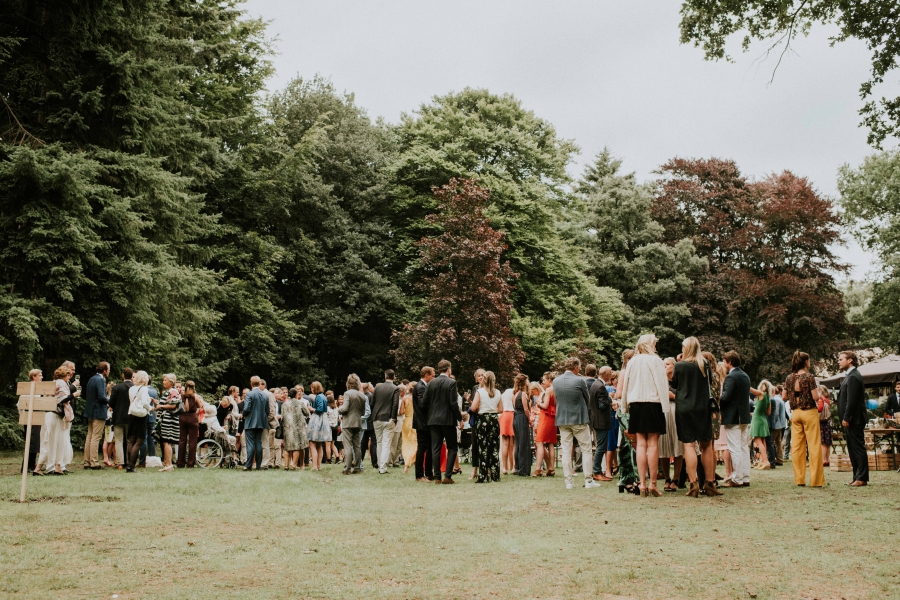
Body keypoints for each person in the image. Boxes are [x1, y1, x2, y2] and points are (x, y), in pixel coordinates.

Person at [619, 334, 670, 497]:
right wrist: (666, 408)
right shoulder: (656, 361)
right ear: (650, 345)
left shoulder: (633, 361)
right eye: (654, 344)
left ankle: (641, 483)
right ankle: (653, 484)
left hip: (636, 404)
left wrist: (624, 406)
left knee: (640, 444)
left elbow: (626, 383)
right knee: (653, 443)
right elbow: (662, 384)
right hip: (653, 403)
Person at [672, 338, 722, 497]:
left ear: (685, 348)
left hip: (684, 408)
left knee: (688, 445)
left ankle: (693, 483)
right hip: (703, 408)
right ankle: (709, 482)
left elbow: (675, 384)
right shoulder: (705, 364)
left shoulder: (679, 366)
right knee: (707, 445)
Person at [554, 357, 601, 491]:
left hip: (562, 419)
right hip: (579, 419)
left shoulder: (556, 381)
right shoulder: (580, 380)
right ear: (576, 367)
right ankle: (588, 480)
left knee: (566, 450)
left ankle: (568, 482)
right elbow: (588, 399)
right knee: (586, 449)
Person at [783, 351, 824, 487]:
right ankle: (816, 480)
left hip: (796, 413)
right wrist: (817, 391)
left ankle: (799, 479)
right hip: (809, 412)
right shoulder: (809, 377)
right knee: (814, 446)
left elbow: (784, 397)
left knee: (797, 447)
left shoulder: (789, 378)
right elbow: (815, 398)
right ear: (806, 362)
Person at [424, 359, 462, 484]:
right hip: (448, 420)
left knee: (435, 448)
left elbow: (424, 402)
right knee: (452, 447)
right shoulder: (452, 382)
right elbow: (453, 403)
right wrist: (459, 418)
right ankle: (448, 476)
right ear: (449, 369)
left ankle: (438, 477)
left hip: (433, 420)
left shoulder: (430, 383)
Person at [720, 351, 752, 488]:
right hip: (744, 416)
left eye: (725, 362)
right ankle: (745, 477)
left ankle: (737, 479)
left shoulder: (731, 377)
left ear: (730, 362)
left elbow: (726, 397)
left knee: (735, 448)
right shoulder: (745, 376)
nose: (724, 364)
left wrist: (716, 398)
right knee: (744, 447)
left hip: (733, 417)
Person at [837, 350, 869, 487]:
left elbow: (852, 401)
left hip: (854, 419)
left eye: (841, 359)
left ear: (850, 360)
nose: (838, 361)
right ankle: (857, 476)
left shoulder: (854, 377)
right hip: (851, 419)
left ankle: (861, 477)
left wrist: (846, 417)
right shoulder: (849, 376)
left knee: (857, 448)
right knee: (852, 448)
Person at [40, 366, 75, 475]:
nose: (69, 378)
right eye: (68, 375)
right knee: (58, 440)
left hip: (48, 413)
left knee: (49, 440)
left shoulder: (53, 382)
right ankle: (57, 466)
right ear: (64, 375)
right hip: (57, 414)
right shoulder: (61, 383)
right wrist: (74, 395)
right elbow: (62, 399)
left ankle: (51, 466)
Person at [470, 370, 502, 483]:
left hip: (483, 419)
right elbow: (501, 409)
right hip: (494, 419)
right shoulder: (498, 392)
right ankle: (495, 475)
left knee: (483, 448)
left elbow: (473, 408)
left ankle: (483, 476)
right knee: (494, 447)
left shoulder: (480, 392)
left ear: (484, 379)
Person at [659, 357, 683, 492]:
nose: (665, 367)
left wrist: (672, 395)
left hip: (676, 412)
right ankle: (667, 478)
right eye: (663, 365)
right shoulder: (660, 381)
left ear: (674, 366)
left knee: (678, 446)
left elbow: (682, 395)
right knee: (664, 446)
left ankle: (676, 478)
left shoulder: (678, 380)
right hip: (664, 412)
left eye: (667, 364)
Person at [81, 362, 110, 470]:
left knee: (90, 436)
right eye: (108, 369)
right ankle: (94, 462)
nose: (109, 371)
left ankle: (87, 462)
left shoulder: (91, 379)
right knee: (96, 437)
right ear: (104, 370)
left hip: (90, 411)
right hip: (98, 411)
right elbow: (102, 396)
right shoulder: (100, 380)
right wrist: (110, 401)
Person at [125, 371, 155, 472]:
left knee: (131, 440)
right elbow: (143, 402)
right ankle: (131, 465)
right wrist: (150, 408)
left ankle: (129, 463)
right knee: (139, 441)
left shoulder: (131, 388)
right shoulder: (144, 389)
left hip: (131, 414)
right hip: (141, 416)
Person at [371, 369, 400, 474]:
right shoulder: (395, 388)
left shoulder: (378, 387)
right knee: (386, 443)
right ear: (394, 377)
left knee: (379, 442)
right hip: (388, 418)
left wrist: (373, 415)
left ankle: (380, 465)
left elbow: (372, 403)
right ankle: (382, 467)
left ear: (385, 376)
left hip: (376, 418)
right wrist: (393, 418)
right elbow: (395, 404)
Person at [588, 367, 613, 482]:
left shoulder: (595, 384)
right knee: (601, 447)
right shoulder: (600, 386)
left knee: (601, 446)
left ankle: (597, 470)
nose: (611, 375)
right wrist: (610, 399)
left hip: (596, 420)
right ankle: (597, 471)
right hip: (601, 421)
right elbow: (602, 405)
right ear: (606, 375)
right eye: (610, 373)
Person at [339, 374, 367, 474]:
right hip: (358, 422)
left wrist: (339, 409)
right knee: (357, 446)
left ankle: (347, 468)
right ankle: (358, 467)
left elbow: (345, 408)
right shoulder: (362, 395)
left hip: (348, 423)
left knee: (347, 446)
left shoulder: (347, 393)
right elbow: (363, 412)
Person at [155, 373, 182, 472]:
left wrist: (161, 406)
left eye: (165, 380)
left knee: (167, 441)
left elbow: (173, 405)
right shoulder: (168, 391)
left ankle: (169, 464)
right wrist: (156, 403)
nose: (163, 382)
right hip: (165, 419)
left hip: (170, 419)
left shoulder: (173, 391)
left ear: (171, 382)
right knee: (165, 441)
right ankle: (167, 463)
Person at [242, 376, 269, 471]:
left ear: (251, 383)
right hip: (261, 423)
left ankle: (248, 465)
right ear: (259, 383)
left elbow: (246, 408)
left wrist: (243, 414)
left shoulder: (249, 394)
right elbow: (267, 411)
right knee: (258, 443)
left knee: (250, 444)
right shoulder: (265, 395)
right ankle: (258, 466)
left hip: (250, 422)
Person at [109, 368, 134, 470]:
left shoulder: (117, 387)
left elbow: (111, 403)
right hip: (130, 417)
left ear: (123, 375)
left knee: (118, 440)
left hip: (118, 416)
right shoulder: (134, 387)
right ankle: (129, 462)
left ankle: (120, 463)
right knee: (130, 440)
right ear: (132, 376)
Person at [533, 372, 557, 477]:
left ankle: (538, 469)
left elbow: (545, 405)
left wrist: (538, 403)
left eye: (544, 380)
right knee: (551, 443)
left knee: (540, 442)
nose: (543, 382)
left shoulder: (548, 390)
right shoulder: (557, 389)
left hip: (545, 417)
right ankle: (551, 468)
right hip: (553, 417)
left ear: (549, 380)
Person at [412, 367, 434, 481]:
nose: (433, 378)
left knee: (429, 448)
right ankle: (419, 475)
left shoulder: (423, 386)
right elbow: (421, 404)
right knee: (421, 448)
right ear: (426, 375)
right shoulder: (420, 387)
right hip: (422, 422)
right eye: (432, 376)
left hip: (426, 422)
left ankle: (429, 473)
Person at [282, 388, 311, 470]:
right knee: (297, 447)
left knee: (287, 447)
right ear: (296, 395)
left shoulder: (284, 404)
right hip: (298, 428)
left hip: (287, 427)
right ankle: (294, 465)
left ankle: (286, 465)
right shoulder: (300, 403)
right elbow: (307, 413)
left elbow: (282, 416)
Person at [176, 381, 202, 469]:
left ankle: (180, 462)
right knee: (192, 441)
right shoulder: (195, 396)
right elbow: (200, 406)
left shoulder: (181, 396)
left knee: (182, 440)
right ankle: (190, 463)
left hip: (183, 417)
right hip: (192, 418)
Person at [511, 374, 533, 477]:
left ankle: (518, 467)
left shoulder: (514, 394)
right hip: (521, 418)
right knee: (523, 443)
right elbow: (526, 409)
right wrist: (530, 419)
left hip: (515, 417)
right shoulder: (523, 394)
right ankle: (523, 469)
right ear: (524, 382)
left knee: (518, 443)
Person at [307, 382, 332, 470]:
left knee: (312, 443)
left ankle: (314, 466)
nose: (311, 389)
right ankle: (318, 465)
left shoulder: (319, 397)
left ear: (315, 388)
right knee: (319, 445)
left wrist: (311, 409)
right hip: (323, 420)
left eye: (312, 388)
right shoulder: (323, 397)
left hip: (317, 420)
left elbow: (320, 409)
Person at [750, 381, 773, 470]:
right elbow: (768, 412)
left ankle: (765, 461)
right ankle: (762, 461)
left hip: (757, 420)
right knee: (763, 442)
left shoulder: (760, 394)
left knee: (758, 441)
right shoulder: (768, 398)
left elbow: (751, 390)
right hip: (763, 419)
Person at [499, 378, 516, 476]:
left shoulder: (504, 393)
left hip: (504, 415)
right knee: (513, 444)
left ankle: (504, 468)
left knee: (505, 444)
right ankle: (513, 467)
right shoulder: (515, 392)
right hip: (513, 414)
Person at [399, 383, 417, 473]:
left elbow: (401, 412)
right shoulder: (418, 398)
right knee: (415, 443)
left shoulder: (405, 398)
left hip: (406, 421)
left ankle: (408, 464)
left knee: (406, 443)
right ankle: (410, 464)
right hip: (415, 422)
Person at [770, 387, 786, 466]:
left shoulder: (776, 400)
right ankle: (780, 459)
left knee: (771, 442)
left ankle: (772, 459)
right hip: (781, 424)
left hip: (776, 424)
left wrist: (772, 423)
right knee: (778, 442)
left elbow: (775, 413)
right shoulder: (781, 400)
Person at [817, 385, 833, 467]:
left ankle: (823, 460)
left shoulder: (821, 400)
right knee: (827, 442)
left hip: (821, 423)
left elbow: (819, 409)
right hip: (827, 422)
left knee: (822, 442)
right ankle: (827, 459)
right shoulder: (827, 400)